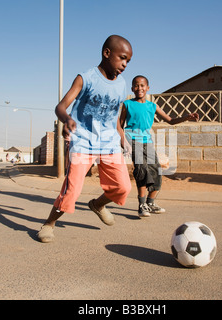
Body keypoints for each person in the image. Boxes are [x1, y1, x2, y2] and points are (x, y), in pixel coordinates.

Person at [37, 35, 133, 243]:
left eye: (128, 61)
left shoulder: (122, 84)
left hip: (108, 142)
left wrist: (122, 138)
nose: (125, 65)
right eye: (122, 58)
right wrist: (67, 119)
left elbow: (115, 116)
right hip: (83, 141)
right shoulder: (86, 78)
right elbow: (60, 106)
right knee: (72, 190)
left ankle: (98, 205)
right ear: (107, 53)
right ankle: (49, 224)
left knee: (123, 187)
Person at [120, 75, 199, 218]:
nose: (139, 88)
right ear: (132, 88)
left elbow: (171, 120)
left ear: (148, 88)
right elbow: (119, 126)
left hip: (147, 142)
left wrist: (186, 117)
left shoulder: (153, 106)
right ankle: (141, 205)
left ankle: (150, 203)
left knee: (156, 171)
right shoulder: (127, 104)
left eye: (142, 85)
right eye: (136, 85)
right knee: (142, 170)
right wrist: (123, 143)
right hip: (132, 141)